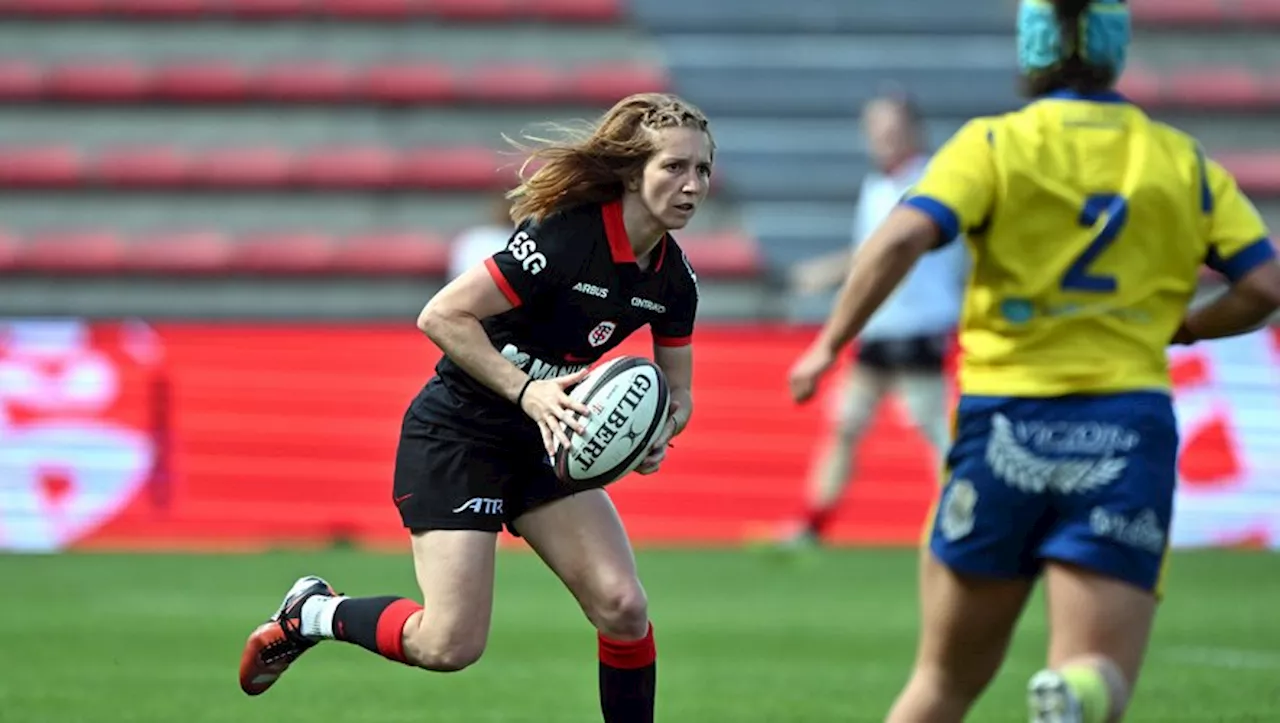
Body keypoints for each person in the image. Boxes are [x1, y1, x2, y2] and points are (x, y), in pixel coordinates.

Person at [788, 1, 1280, 722]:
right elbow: (1264, 285)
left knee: (942, 683)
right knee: (1094, 671)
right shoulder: (1178, 158)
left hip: (1004, 427)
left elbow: (898, 241)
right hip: (1123, 430)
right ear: (1116, 52)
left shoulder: (991, 144)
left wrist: (829, 342)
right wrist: (1190, 328)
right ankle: (1072, 692)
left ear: (1031, 50)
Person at [238, 92, 712, 723]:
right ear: (632, 173)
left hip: (549, 441)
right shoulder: (567, 237)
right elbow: (441, 315)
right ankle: (312, 613)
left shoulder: (674, 280)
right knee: (448, 645)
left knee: (623, 606)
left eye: (702, 170)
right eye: (674, 168)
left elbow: (678, 393)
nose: (692, 185)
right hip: (461, 434)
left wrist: (660, 431)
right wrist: (527, 389)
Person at [783, 92, 966, 547]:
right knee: (846, 425)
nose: (882, 137)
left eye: (891, 128)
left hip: (920, 325)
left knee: (937, 434)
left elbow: (884, 252)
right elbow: (870, 253)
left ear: (913, 130)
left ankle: (967, 516)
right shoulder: (878, 185)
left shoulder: (931, 180)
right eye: (876, 128)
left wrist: (826, 273)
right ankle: (813, 524)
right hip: (879, 325)